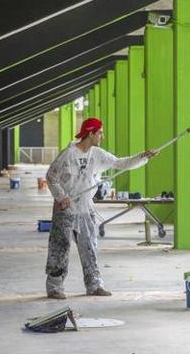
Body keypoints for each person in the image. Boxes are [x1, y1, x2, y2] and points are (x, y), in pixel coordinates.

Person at [45, 117, 157, 299]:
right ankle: (54, 287)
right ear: (91, 133)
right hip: (66, 210)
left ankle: (94, 285)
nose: (102, 136)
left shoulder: (96, 155)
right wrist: (61, 197)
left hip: (85, 209)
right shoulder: (68, 155)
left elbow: (120, 163)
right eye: (100, 133)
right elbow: (50, 177)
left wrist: (143, 157)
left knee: (89, 247)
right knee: (60, 247)